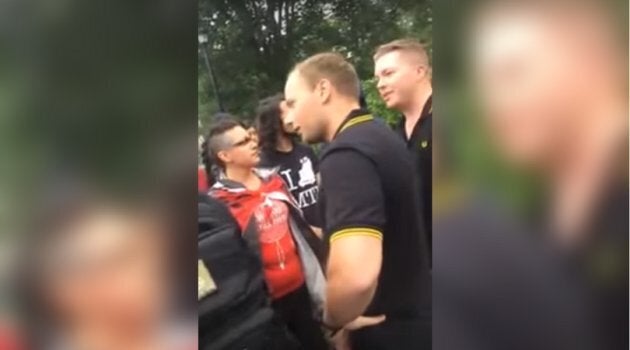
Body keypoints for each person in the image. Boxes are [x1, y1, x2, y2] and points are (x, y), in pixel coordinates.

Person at [283, 52, 431, 349]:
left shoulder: (346, 155)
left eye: (293, 103)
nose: (289, 118)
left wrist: (333, 320)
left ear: (323, 90)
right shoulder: (380, 134)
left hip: (387, 329)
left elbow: (355, 276)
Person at [205, 119, 329, 350]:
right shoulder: (218, 204)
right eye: (243, 142)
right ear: (225, 156)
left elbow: (300, 229)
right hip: (265, 306)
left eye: (251, 138)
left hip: (303, 291)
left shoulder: (274, 180)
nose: (254, 143)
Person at [373, 38, 433, 261]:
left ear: (419, 72)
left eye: (388, 73)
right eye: (378, 78)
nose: (379, 84)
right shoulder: (394, 138)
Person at [256, 94, 321, 228]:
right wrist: (309, 230)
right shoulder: (264, 163)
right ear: (274, 121)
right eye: (287, 113)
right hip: (300, 235)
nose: (293, 116)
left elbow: (321, 186)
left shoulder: (305, 150)